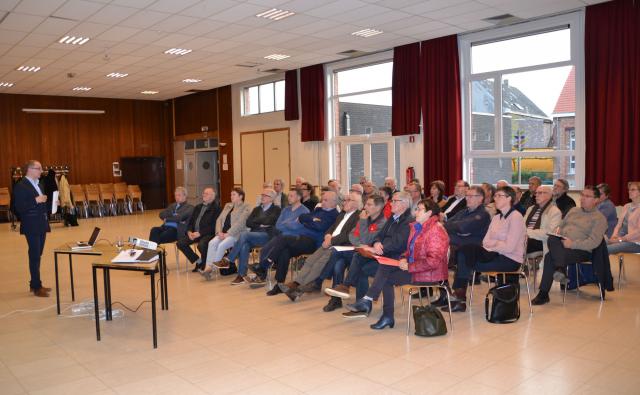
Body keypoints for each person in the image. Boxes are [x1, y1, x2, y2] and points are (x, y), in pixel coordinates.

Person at [344, 199, 449, 329]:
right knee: (385, 265)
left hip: (429, 273)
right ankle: (375, 306)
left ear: (429, 213)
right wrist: (404, 258)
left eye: (419, 209)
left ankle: (377, 308)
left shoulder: (436, 231)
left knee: (386, 278)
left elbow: (433, 261)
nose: (415, 212)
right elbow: (408, 249)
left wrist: (410, 266)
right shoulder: (418, 227)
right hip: (416, 268)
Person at [324, 191, 414, 310]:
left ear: (404, 204)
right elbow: (378, 236)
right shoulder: (393, 218)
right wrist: (377, 243)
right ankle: (357, 300)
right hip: (383, 254)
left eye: (394, 201)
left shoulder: (408, 221)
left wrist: (380, 247)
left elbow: (399, 243)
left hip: (395, 258)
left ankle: (353, 294)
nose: (390, 204)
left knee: (359, 265)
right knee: (356, 258)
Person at [445, 186, 526, 312]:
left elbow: (509, 247)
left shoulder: (516, 217)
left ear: (509, 198)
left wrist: (494, 245)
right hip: (494, 254)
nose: (496, 198)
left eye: (500, 196)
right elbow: (485, 241)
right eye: (495, 196)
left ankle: (459, 298)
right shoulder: (496, 218)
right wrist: (498, 243)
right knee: (464, 252)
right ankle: (458, 297)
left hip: (510, 260)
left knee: (465, 260)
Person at [250, 191, 339, 295]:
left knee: (284, 238)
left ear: (334, 202)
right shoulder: (319, 209)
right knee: (284, 251)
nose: (322, 202)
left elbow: (320, 227)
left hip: (313, 242)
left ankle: (264, 265)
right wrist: (312, 219)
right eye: (322, 200)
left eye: (325, 200)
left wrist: (308, 220)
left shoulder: (334, 215)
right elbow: (302, 217)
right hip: (302, 238)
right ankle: (279, 284)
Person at [531, 185, 608, 305]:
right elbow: (560, 226)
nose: (582, 198)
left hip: (581, 250)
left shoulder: (599, 218)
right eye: (582, 195)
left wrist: (572, 244)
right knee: (551, 237)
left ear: (596, 200)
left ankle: (544, 293)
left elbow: (594, 242)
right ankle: (560, 268)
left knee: (549, 257)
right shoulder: (573, 210)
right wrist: (557, 231)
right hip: (562, 245)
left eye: (587, 196)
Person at [281, 191, 362, 300]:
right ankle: (296, 283)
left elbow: (347, 236)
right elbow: (331, 228)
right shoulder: (342, 214)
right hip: (330, 243)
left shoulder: (358, 216)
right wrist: (328, 236)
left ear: (356, 203)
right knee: (310, 260)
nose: (344, 203)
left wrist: (331, 241)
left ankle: (300, 288)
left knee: (319, 263)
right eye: (344, 200)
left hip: (342, 247)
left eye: (347, 200)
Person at [224, 188, 281, 285]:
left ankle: (229, 259)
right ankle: (241, 275)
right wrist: (261, 223)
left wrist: (258, 222)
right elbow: (248, 222)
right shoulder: (256, 209)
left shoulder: (276, 209)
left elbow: (270, 221)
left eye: (265, 195)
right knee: (244, 245)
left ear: (272, 198)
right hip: (254, 235)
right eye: (262, 194)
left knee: (244, 234)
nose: (262, 197)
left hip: (267, 236)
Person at [13, 160, 51, 297]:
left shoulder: (39, 184)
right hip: (31, 225)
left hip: (41, 224)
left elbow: (42, 205)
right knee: (34, 255)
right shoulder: (21, 185)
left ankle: (34, 283)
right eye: (39, 168)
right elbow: (19, 207)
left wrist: (52, 204)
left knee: (38, 254)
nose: (41, 171)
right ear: (30, 169)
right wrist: (36, 200)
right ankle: (36, 286)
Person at [201, 188, 251, 279]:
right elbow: (219, 219)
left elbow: (241, 222)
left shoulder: (246, 206)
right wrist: (219, 231)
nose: (231, 196)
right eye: (231, 194)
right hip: (223, 233)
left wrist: (228, 233)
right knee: (211, 243)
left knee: (222, 245)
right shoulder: (228, 205)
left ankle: (210, 269)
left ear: (241, 196)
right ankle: (207, 267)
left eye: (234, 195)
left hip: (236, 234)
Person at [177, 187, 221, 272]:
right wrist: (189, 231)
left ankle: (206, 266)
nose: (203, 195)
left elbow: (214, 226)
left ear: (212, 196)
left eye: (206, 194)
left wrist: (200, 233)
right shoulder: (198, 207)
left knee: (202, 245)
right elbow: (191, 222)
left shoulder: (217, 209)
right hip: (194, 233)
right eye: (203, 193)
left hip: (208, 234)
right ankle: (199, 261)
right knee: (181, 243)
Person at [524, 185, 562, 258]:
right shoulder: (531, 209)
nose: (536, 195)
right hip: (525, 238)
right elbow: (521, 225)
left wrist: (526, 232)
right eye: (536, 193)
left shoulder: (555, 211)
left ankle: (513, 266)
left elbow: (550, 233)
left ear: (549, 195)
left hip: (540, 241)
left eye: (540, 193)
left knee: (514, 244)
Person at [607, 181, 640, 255]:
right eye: (629, 190)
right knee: (600, 245)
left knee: (606, 249)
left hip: (636, 242)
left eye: (633, 190)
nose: (629, 192)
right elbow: (618, 225)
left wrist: (620, 239)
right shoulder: (626, 206)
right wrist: (614, 236)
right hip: (622, 239)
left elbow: (638, 232)